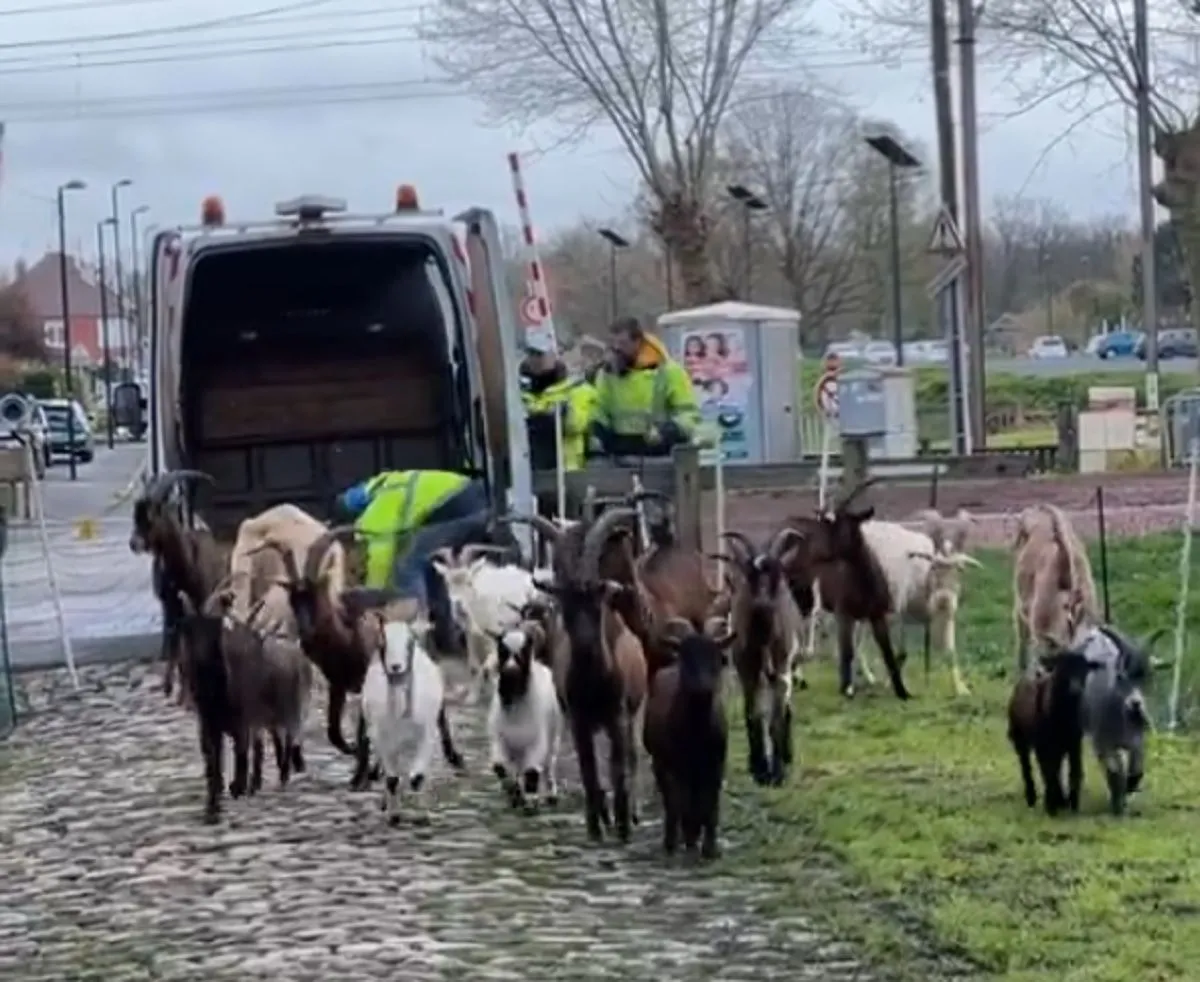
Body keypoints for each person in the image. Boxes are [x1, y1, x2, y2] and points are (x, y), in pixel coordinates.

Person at [335, 469, 490, 650]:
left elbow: (380, 555)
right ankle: (446, 638)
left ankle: (416, 639)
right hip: (469, 504)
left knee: (407, 565)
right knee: (429, 568)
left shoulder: (379, 509)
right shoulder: (389, 483)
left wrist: (373, 596)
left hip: (457, 510)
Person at [590, 316, 701, 458]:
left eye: (623, 343)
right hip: (619, 456)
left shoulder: (668, 372)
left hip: (661, 456)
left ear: (638, 342)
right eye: (613, 343)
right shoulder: (607, 374)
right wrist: (597, 434)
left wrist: (667, 431)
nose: (617, 349)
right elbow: (599, 410)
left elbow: (689, 415)